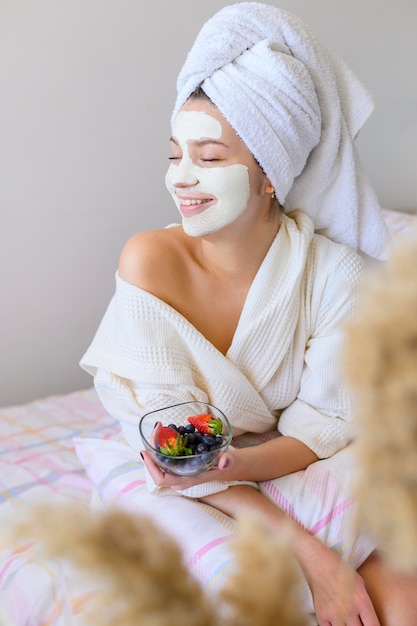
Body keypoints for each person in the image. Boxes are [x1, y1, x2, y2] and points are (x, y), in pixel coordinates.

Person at [80, 3, 417, 624]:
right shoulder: (150, 261)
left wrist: (244, 460)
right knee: (235, 583)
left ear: (270, 175)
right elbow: (176, 445)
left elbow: (322, 431)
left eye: (209, 158)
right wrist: (314, 557)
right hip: (191, 485)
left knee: (402, 590)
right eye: (175, 154)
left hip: (281, 463)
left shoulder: (335, 276)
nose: (182, 179)